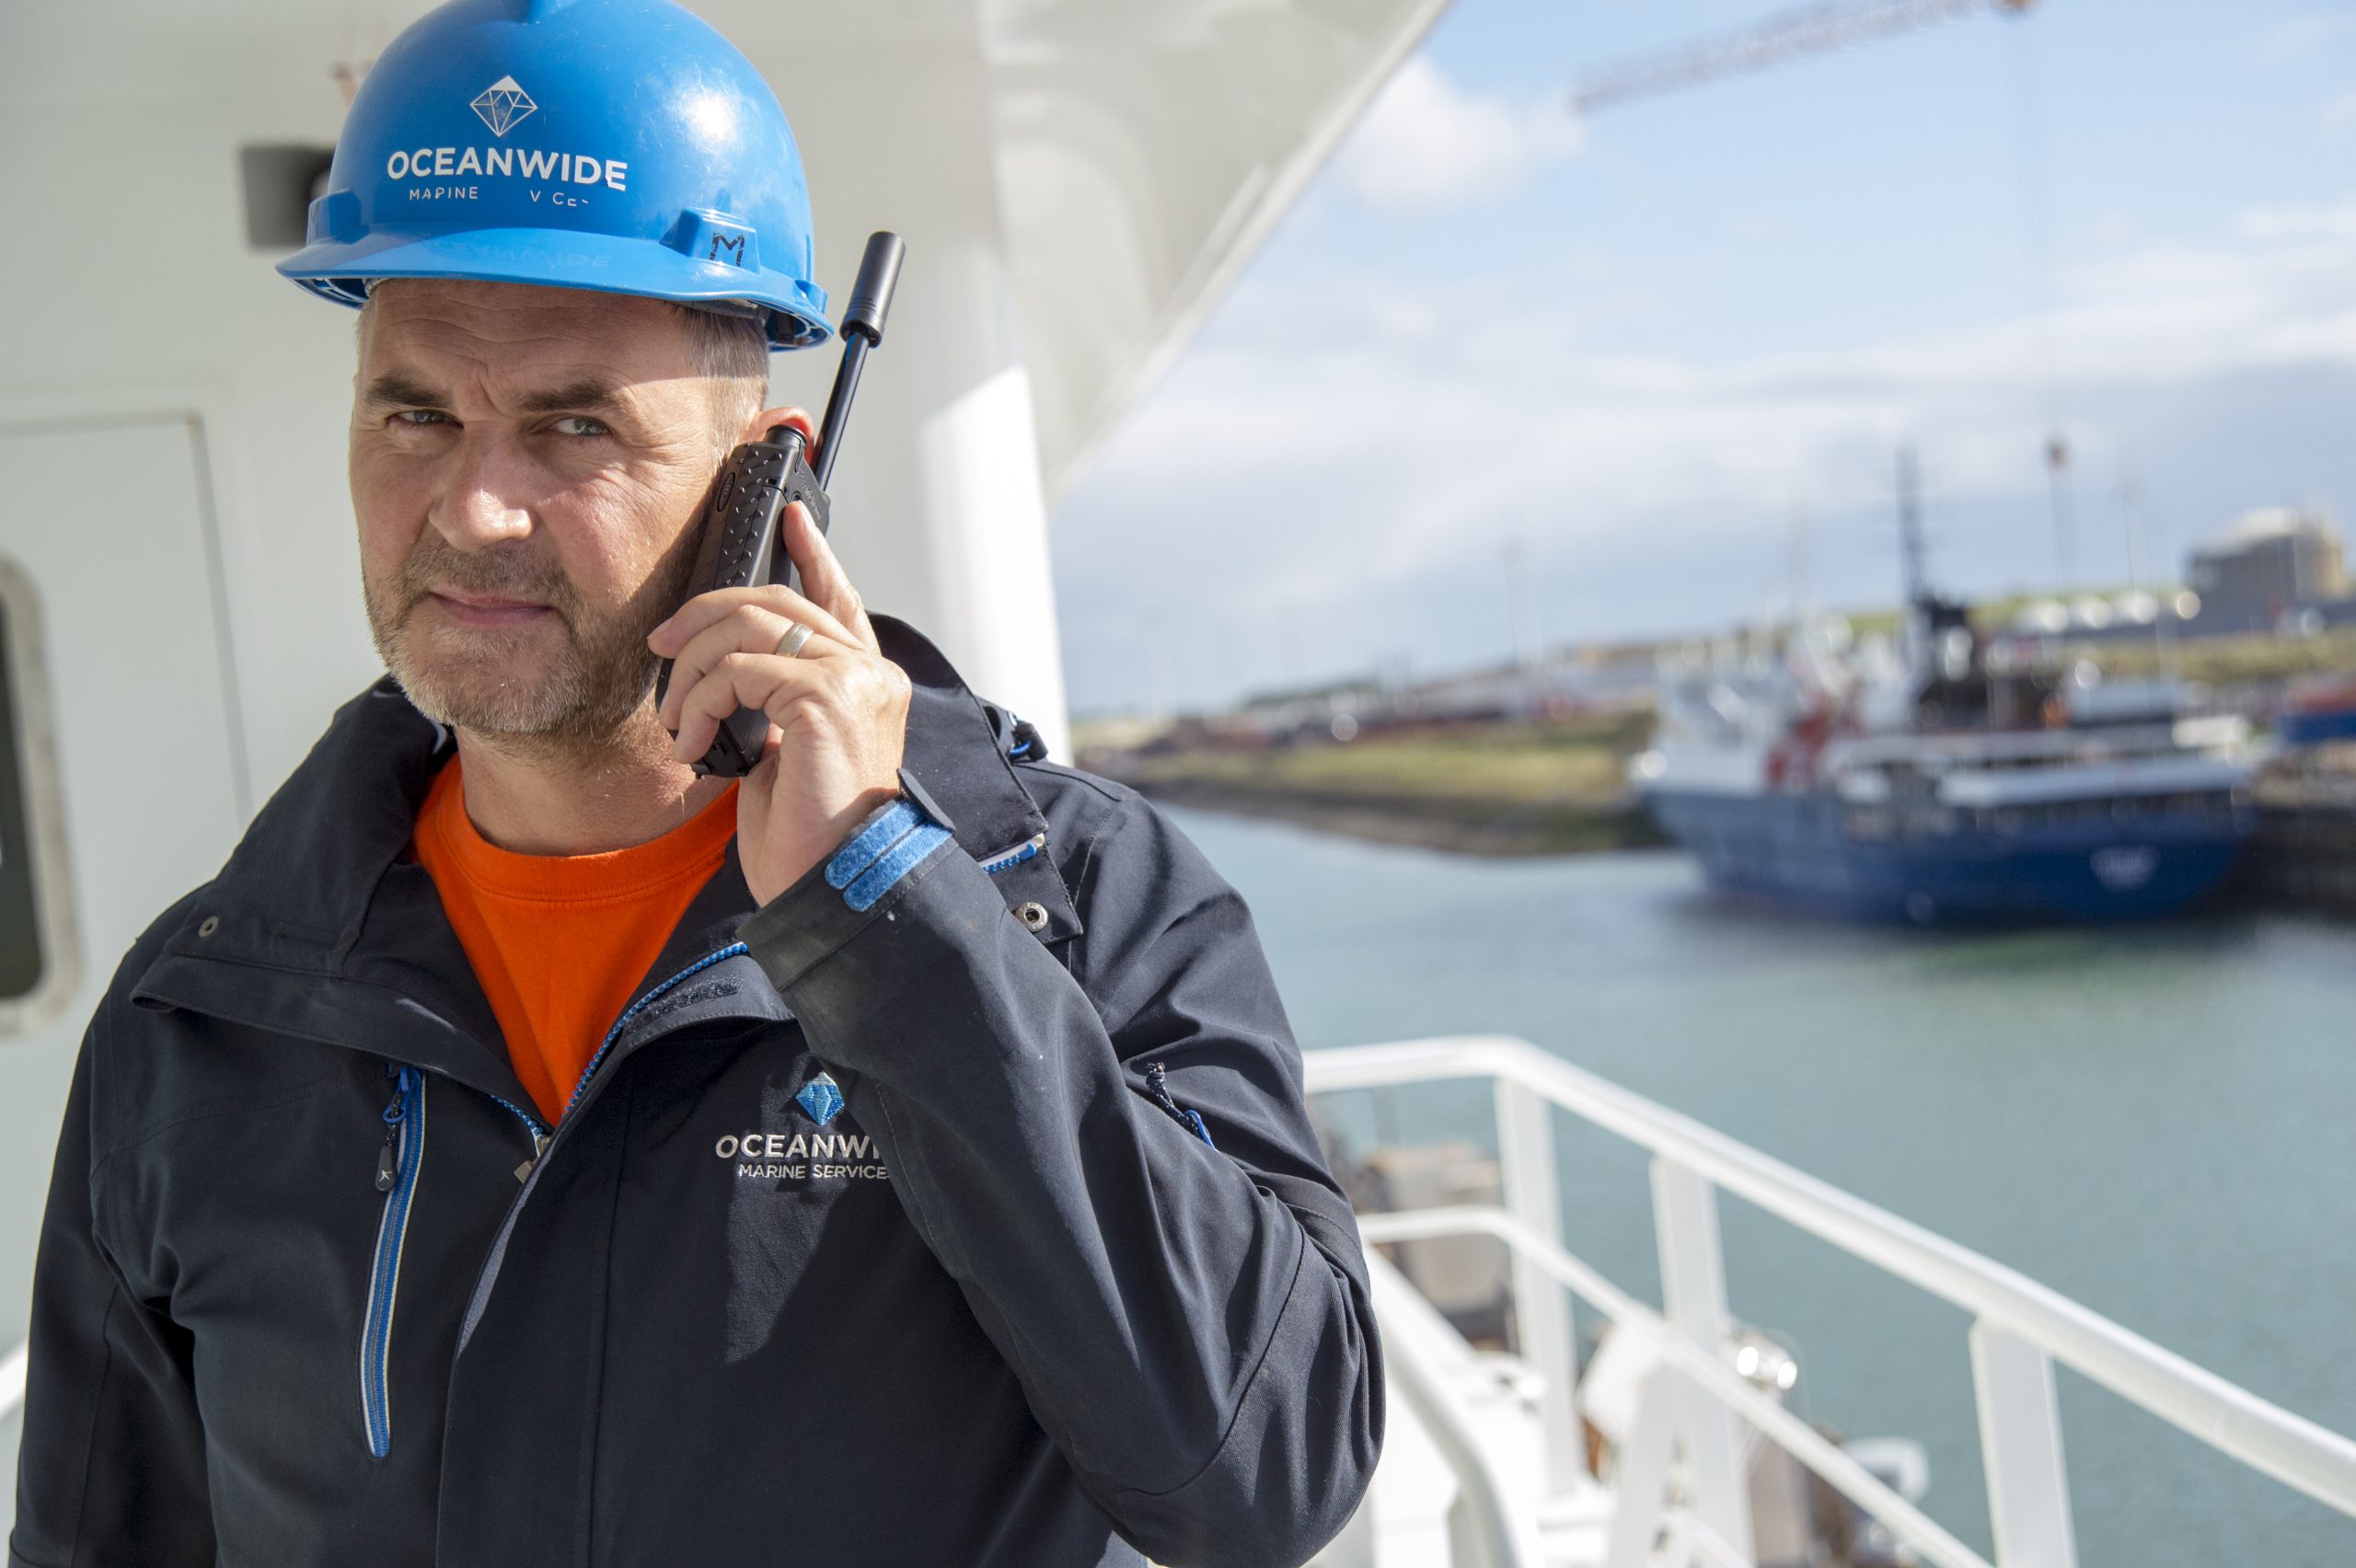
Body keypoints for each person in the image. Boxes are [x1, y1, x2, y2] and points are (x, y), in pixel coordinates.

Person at [6, 3, 1380, 1565]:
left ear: (768, 478)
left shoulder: (1069, 895)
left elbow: (1269, 1469)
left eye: (572, 425)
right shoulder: (199, 1015)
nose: (474, 504)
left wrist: (887, 909)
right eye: (415, 413)